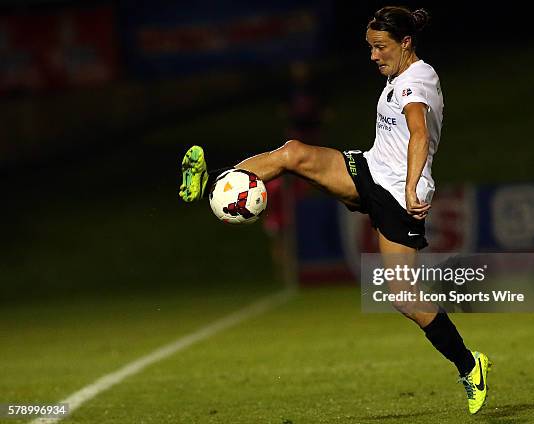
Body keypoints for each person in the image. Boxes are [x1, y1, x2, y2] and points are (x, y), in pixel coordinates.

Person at [179, 6, 490, 415]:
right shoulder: (398, 78)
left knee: (404, 298)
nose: (373, 56)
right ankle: (212, 181)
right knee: (293, 153)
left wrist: (414, 185)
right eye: (370, 47)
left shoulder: (419, 79)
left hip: (397, 196)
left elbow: (418, 134)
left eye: (380, 47)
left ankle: (470, 365)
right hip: (371, 170)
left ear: (406, 43)